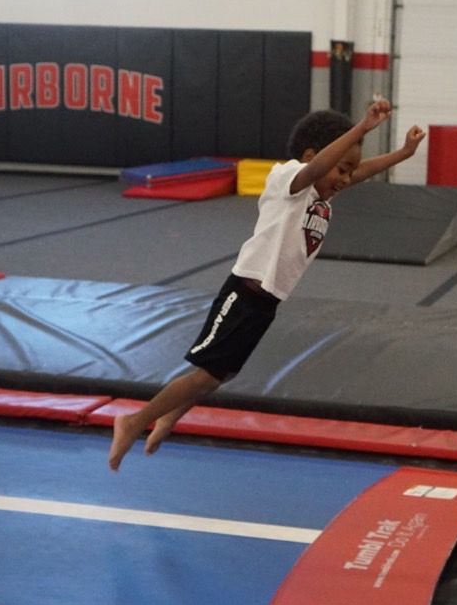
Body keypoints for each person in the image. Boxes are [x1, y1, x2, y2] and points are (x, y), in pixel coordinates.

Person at [109, 98, 425, 471]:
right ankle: (133, 420)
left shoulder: (324, 189)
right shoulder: (287, 179)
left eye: (348, 173)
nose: (345, 179)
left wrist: (404, 153)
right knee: (205, 373)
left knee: (220, 375)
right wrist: (362, 128)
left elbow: (359, 170)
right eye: (342, 169)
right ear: (312, 156)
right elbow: (322, 166)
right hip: (243, 292)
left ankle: (168, 416)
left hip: (266, 301)